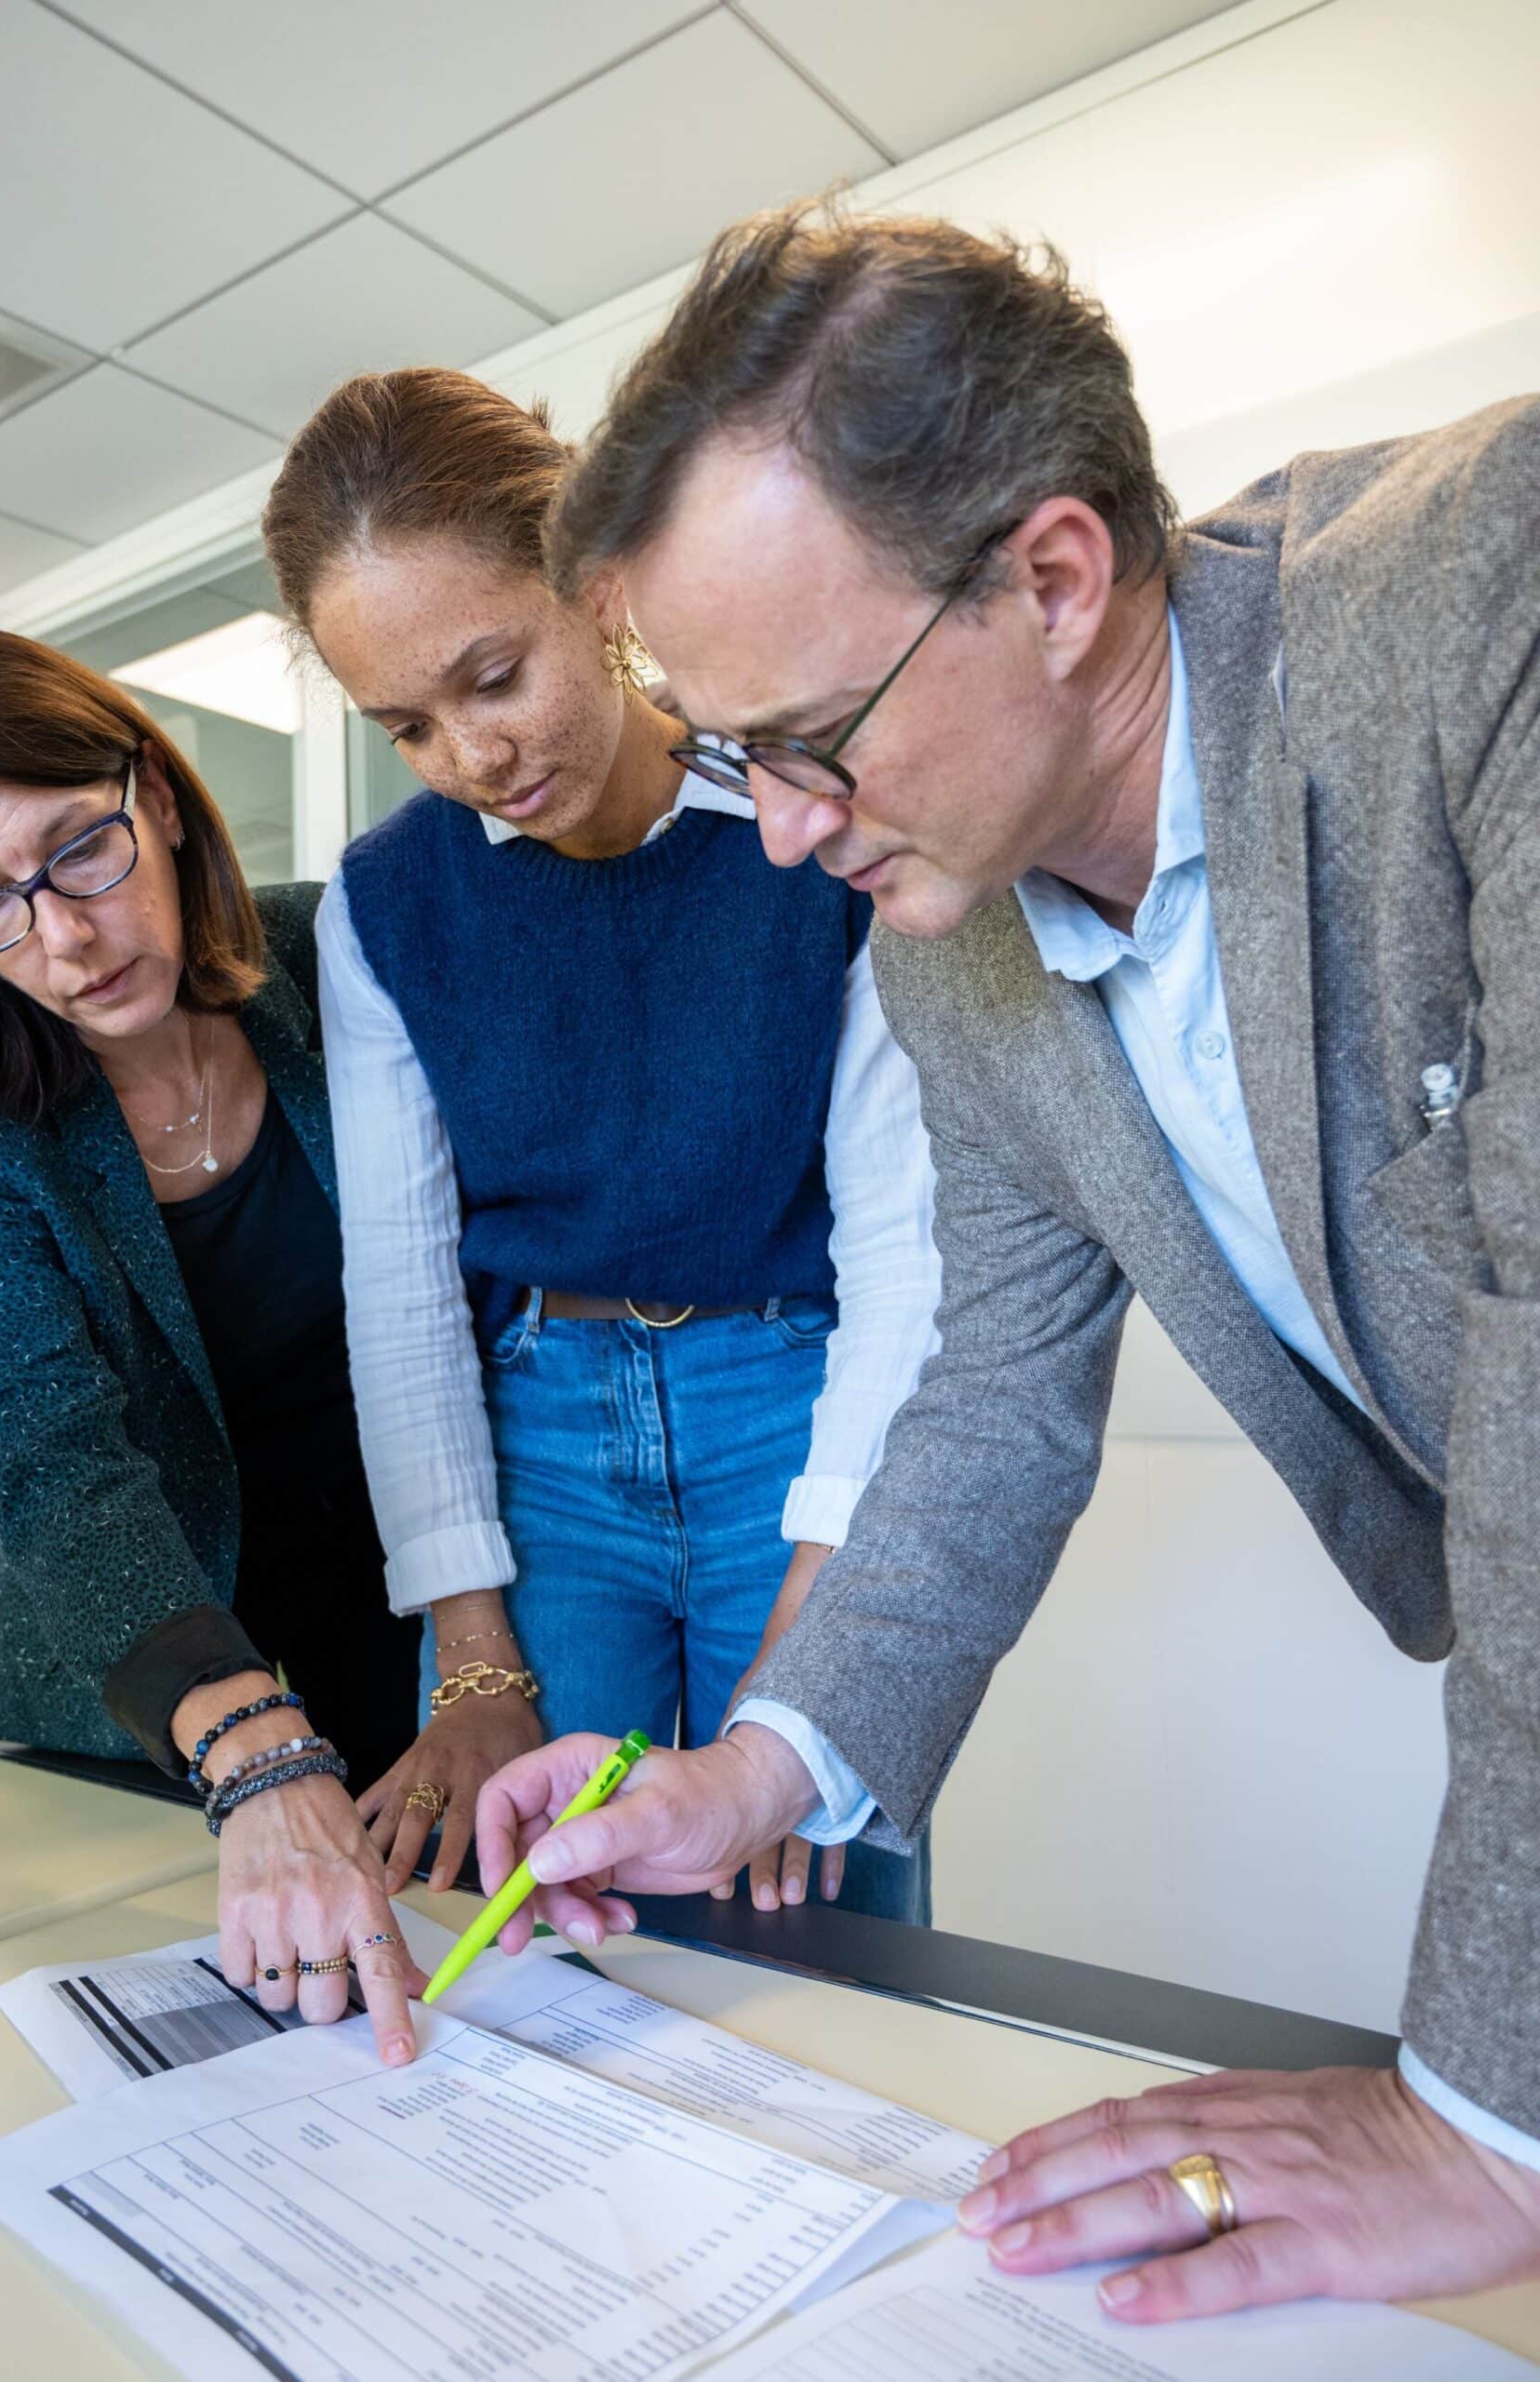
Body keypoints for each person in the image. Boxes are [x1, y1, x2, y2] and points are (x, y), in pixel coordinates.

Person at [475, 201, 1540, 2318]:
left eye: (812, 736)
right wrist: (757, 1771)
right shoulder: (948, 947)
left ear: (1052, 578)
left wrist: (1488, 2110)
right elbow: (992, 1398)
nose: (785, 829)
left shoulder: (1483, 597)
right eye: (735, 756)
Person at [260, 366, 940, 1927]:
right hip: (540, 1443)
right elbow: (401, 1288)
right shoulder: (386, 906)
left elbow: (903, 1248)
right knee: (542, 1924)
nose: (471, 755)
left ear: (596, 585)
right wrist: (472, 1650)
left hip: (797, 1406)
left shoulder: (806, 824)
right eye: (406, 725)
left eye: (492, 677)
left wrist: (811, 1651)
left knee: (814, 1911)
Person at [0, 625, 425, 2064]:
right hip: (144, 1701)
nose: (66, 939)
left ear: (153, 792)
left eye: (80, 851)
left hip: (402, 1650)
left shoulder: (333, 954)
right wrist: (254, 1751)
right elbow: (54, 1462)